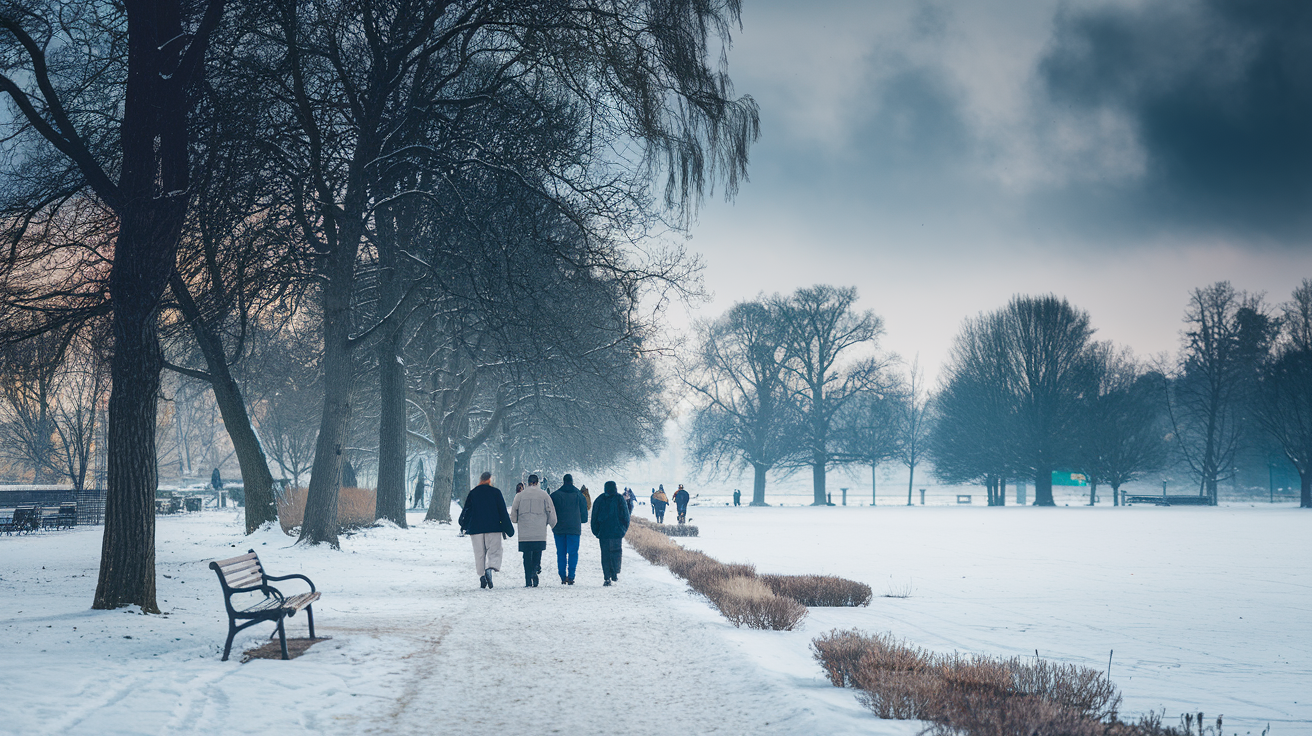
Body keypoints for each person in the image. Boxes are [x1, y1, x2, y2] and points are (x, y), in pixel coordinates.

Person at [458, 471, 513, 589]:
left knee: (479, 553)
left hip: (476, 528)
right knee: (494, 550)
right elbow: (502, 512)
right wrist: (508, 529)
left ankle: (481, 575)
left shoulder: (473, 493)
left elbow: (467, 510)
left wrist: (463, 524)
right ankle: (490, 568)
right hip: (493, 527)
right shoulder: (496, 493)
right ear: (490, 480)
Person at [510, 474, 556, 587]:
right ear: (537, 482)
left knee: (526, 555)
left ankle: (527, 579)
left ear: (528, 482)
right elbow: (550, 511)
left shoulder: (520, 496)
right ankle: (535, 569)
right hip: (539, 531)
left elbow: (513, 513)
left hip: (525, 531)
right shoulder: (544, 495)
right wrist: (552, 524)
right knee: (537, 551)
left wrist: (516, 520)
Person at [549, 473, 589, 584]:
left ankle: (562, 576)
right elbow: (584, 515)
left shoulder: (555, 495)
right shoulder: (579, 495)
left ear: (563, 481)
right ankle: (571, 576)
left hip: (559, 528)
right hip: (574, 529)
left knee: (561, 553)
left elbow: (551, 511)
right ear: (572, 481)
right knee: (573, 553)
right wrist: (581, 520)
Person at [590, 480, 630, 586]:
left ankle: (607, 576)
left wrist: (596, 531)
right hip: (617, 532)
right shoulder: (620, 499)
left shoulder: (599, 499)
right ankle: (615, 572)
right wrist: (623, 529)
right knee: (616, 552)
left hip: (604, 532)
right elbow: (626, 516)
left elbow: (594, 518)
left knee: (605, 554)